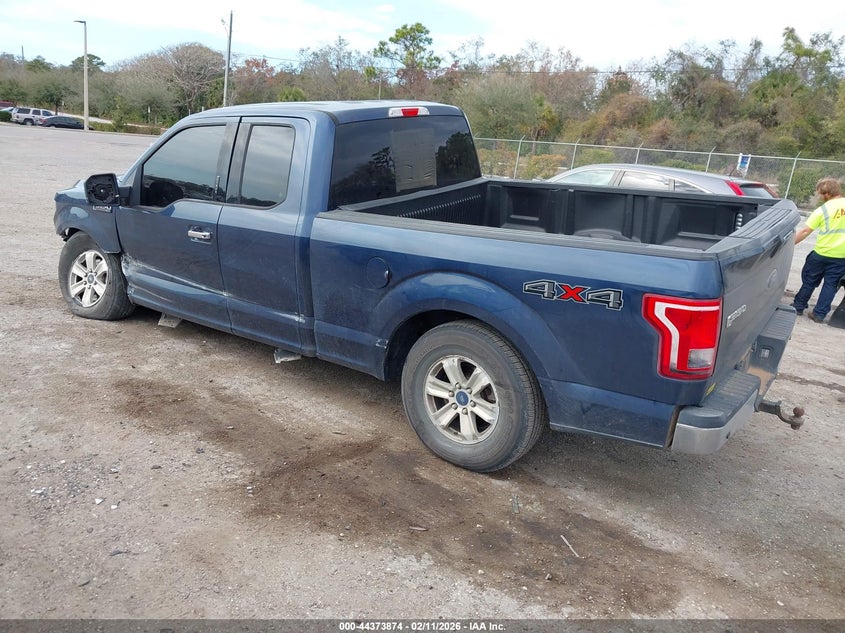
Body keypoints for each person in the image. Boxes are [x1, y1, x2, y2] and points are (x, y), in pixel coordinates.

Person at [791, 177, 845, 323]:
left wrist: (789, 245)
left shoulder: (823, 210)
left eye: (820, 194)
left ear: (826, 193)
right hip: (841, 256)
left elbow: (805, 231)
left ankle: (798, 306)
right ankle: (819, 314)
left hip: (822, 253)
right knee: (831, 285)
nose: (820, 197)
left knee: (809, 281)